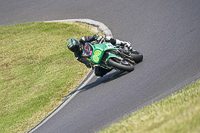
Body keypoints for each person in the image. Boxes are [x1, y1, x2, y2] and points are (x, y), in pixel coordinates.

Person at [67, 34, 133, 77]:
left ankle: (123, 43)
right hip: (94, 57)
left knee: (107, 38)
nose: (75, 49)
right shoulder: (77, 56)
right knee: (97, 73)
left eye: (75, 47)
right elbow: (85, 61)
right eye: (73, 49)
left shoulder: (83, 40)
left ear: (77, 43)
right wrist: (88, 64)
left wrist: (96, 37)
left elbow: (92, 37)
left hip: (98, 47)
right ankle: (112, 66)